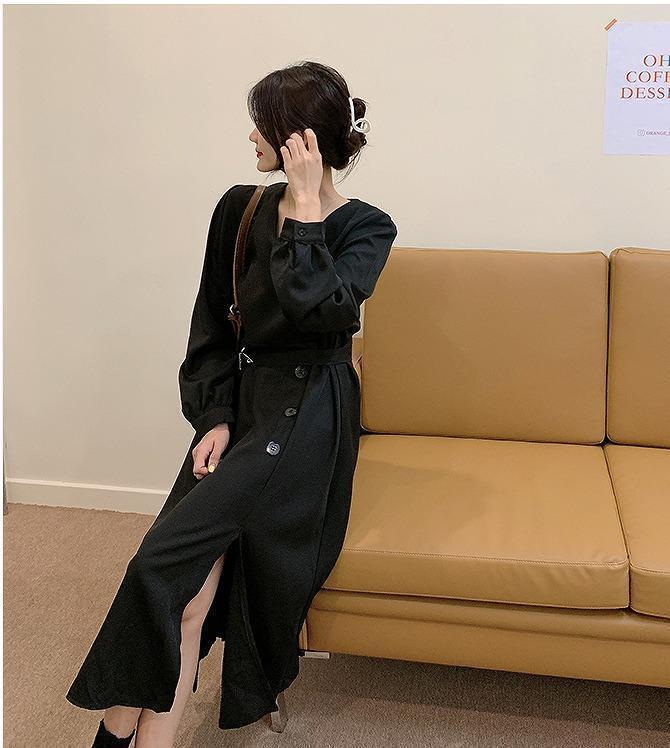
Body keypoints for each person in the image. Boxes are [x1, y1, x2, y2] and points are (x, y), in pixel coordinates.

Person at [65, 60, 398, 747]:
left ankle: (115, 729)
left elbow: (320, 312)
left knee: (159, 566)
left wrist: (306, 212)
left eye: (263, 124)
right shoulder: (239, 209)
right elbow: (214, 326)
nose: (251, 136)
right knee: (186, 594)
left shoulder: (366, 227)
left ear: (300, 139)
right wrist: (213, 416)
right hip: (244, 410)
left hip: (310, 416)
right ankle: (129, 732)